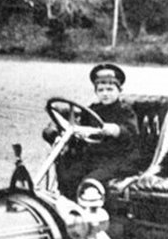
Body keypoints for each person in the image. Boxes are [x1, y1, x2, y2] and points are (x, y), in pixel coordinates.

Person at [45, 63, 140, 200]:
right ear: (96, 92)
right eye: (101, 90)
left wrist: (115, 130)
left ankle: (94, 208)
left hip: (120, 159)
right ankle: (69, 205)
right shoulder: (93, 110)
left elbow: (131, 133)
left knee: (91, 180)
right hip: (96, 157)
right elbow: (80, 126)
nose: (105, 94)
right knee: (69, 174)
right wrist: (74, 132)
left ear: (119, 91)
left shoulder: (125, 110)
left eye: (110, 89)